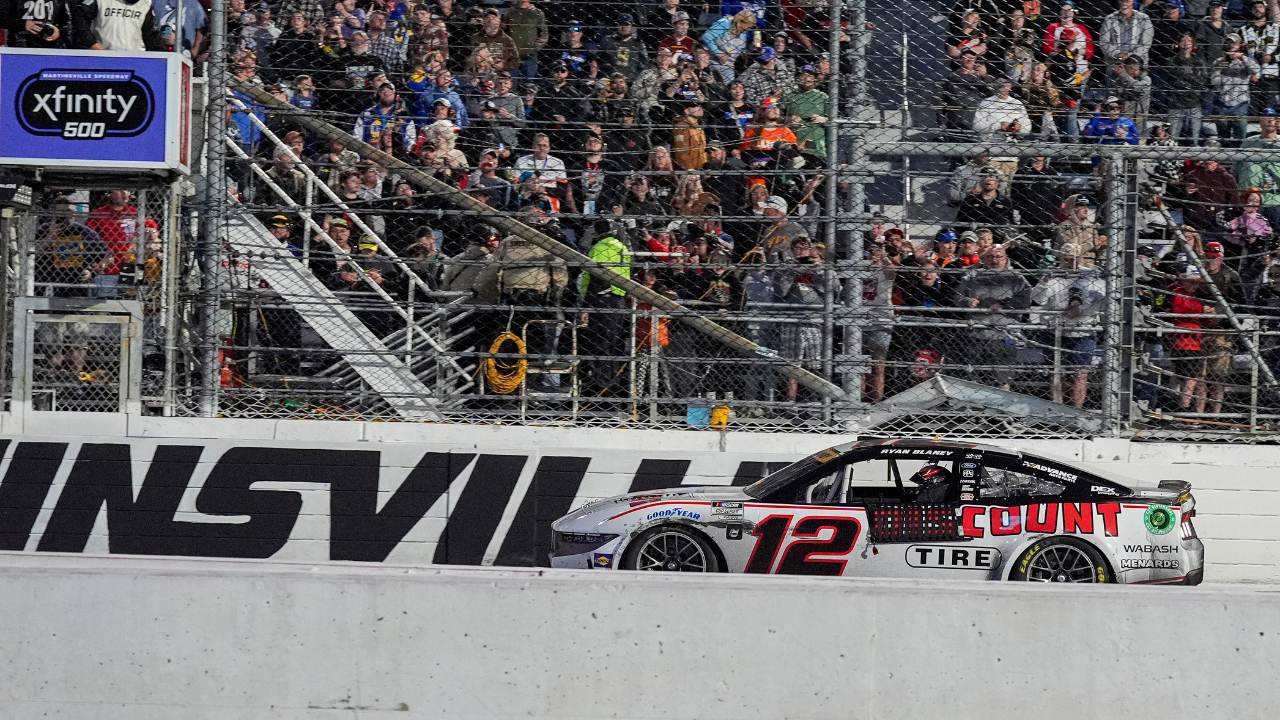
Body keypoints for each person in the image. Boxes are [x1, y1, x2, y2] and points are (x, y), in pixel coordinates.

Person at [1031, 246, 1106, 407]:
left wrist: (1081, 309)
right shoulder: (1053, 275)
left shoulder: (1091, 276)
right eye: (1066, 259)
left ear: (1081, 258)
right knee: (1057, 374)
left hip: (1083, 332)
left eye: (1074, 258)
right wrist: (1045, 281)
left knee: (1079, 374)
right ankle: (1059, 410)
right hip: (1055, 332)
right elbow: (1038, 299)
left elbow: (1101, 301)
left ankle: (1077, 411)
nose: (1070, 262)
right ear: (1060, 259)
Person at [953, 244, 1032, 389]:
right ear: (984, 259)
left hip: (1004, 334)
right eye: (990, 257)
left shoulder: (1016, 278)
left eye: (998, 257)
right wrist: (967, 301)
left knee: (1001, 378)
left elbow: (1025, 300)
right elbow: (957, 296)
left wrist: (1004, 306)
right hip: (976, 334)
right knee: (973, 378)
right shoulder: (972, 276)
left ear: (1005, 258)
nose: (994, 260)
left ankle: (1002, 407)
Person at [578, 220, 631, 397]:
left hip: (602, 299)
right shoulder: (622, 247)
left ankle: (602, 387)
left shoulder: (600, 248)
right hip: (618, 298)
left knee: (600, 345)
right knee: (613, 343)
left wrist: (586, 305)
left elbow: (595, 278)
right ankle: (612, 385)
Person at [776, 236, 826, 405]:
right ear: (792, 250)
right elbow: (780, 292)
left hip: (814, 320)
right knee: (792, 365)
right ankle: (791, 402)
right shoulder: (787, 267)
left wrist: (816, 268)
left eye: (805, 248)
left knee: (814, 364)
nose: (802, 251)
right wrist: (792, 270)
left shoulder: (818, 267)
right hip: (792, 319)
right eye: (798, 248)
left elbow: (828, 290)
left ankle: (813, 399)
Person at [34, 196, 109, 297]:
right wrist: (49, 238)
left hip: (75, 288)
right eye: (61, 212)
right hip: (45, 285)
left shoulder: (85, 232)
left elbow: (108, 258)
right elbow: (33, 255)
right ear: (54, 213)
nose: (66, 215)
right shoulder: (44, 229)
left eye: (69, 211)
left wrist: (92, 272)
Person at [1166, 264, 1211, 413]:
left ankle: (1194, 413)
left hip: (1195, 343)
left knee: (1197, 379)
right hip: (1183, 343)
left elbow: (1203, 320)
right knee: (1190, 378)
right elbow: (1180, 310)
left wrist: (1207, 314)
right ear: (1182, 280)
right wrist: (1201, 310)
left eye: (1197, 282)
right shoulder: (1177, 292)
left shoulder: (1193, 297)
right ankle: (1184, 409)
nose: (1195, 285)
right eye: (1191, 281)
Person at [84, 190, 141, 299]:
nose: (124, 193)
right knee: (105, 309)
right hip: (107, 272)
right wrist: (94, 266)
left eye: (127, 190)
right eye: (120, 190)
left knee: (130, 307)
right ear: (110, 193)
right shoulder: (99, 214)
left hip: (130, 269)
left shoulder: (136, 213)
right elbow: (87, 240)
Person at [1212, 34, 1262, 146]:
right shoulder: (1218, 61)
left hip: (1240, 104)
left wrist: (1241, 57)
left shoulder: (1245, 61)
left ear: (1240, 45)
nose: (1231, 46)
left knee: (1240, 137)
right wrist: (1220, 68)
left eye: (1234, 43)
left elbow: (1257, 69)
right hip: (1223, 103)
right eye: (1229, 43)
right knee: (1223, 137)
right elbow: (1214, 82)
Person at [863, 245, 896, 403]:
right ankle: (859, 402)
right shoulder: (859, 272)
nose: (874, 257)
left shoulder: (885, 272)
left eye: (877, 255)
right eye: (872, 254)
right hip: (859, 322)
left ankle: (875, 402)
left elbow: (891, 270)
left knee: (877, 366)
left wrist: (883, 256)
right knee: (859, 367)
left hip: (881, 321)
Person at [1165, 32, 1209, 144]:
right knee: (1172, 140)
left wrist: (1184, 78)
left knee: (1194, 140)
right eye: (1183, 41)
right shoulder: (1170, 61)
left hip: (1193, 103)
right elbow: (1172, 79)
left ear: (1193, 45)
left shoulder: (1199, 62)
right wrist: (1189, 78)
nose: (1186, 43)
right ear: (1178, 44)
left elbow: (1200, 81)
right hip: (1175, 103)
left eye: (1189, 41)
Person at [1238, 108, 1280, 220]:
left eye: (1273, 119)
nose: (1270, 121)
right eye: (1266, 118)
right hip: (1251, 197)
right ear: (1260, 121)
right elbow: (1236, 166)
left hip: (1275, 197)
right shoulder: (1249, 142)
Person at [782, 64, 829, 161]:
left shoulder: (822, 97)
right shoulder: (789, 96)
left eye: (810, 76)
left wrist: (823, 119)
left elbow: (834, 119)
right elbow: (776, 118)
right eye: (803, 75)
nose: (807, 79)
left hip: (816, 143)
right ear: (798, 78)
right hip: (793, 143)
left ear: (815, 79)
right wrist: (788, 119)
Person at [78, 0, 166, 50]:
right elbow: (79, 19)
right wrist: (92, 43)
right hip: (103, 58)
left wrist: (162, 55)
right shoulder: (99, 1)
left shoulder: (145, 3)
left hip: (135, 59)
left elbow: (151, 34)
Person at [942, 50, 993, 135]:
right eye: (966, 58)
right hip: (955, 116)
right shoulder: (952, 77)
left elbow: (991, 93)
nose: (969, 60)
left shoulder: (980, 77)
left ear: (975, 60)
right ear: (960, 60)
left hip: (974, 116)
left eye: (972, 58)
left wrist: (985, 76)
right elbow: (943, 98)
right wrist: (942, 121)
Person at [1054, 194, 1107, 266]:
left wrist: (1103, 244)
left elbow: (1098, 245)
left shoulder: (1091, 227)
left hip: (1092, 269)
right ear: (1072, 208)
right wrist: (1093, 244)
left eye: (1087, 206)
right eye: (1081, 206)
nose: (1086, 209)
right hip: (1072, 268)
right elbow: (1071, 251)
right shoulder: (1064, 227)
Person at [502, 0, 548, 80]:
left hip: (530, 56)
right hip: (511, 56)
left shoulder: (537, 13)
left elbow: (544, 34)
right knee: (510, 84)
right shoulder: (508, 12)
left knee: (529, 86)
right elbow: (502, 32)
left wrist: (534, 48)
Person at [599, 12, 648, 81]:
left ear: (631, 27)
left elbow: (644, 64)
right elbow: (597, 60)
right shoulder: (607, 40)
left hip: (631, 80)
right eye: (621, 24)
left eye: (626, 25)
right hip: (609, 80)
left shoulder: (638, 44)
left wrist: (637, 79)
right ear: (617, 26)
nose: (623, 27)